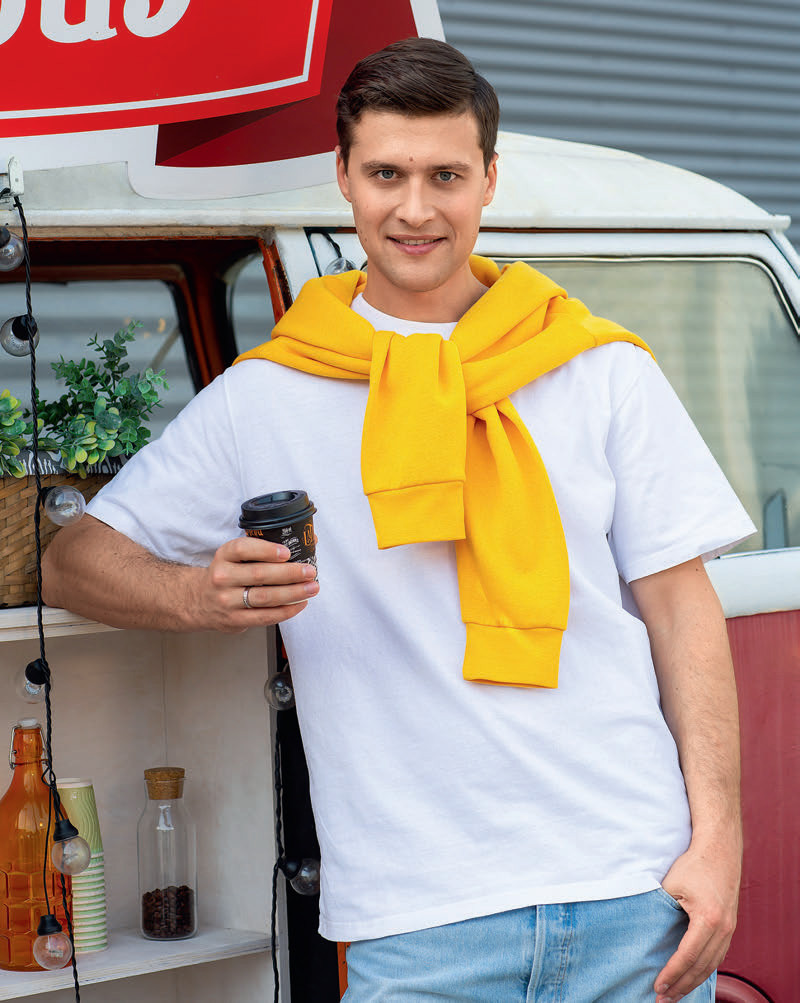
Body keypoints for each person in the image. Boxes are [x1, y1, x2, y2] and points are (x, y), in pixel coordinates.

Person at [44, 37, 755, 1003]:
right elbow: (72, 559)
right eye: (386, 174)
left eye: (445, 176)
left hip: (632, 896)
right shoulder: (268, 395)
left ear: (489, 179)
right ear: (343, 177)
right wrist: (197, 593)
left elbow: (684, 612)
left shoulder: (600, 368)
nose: (415, 209)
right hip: (418, 926)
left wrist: (719, 843)